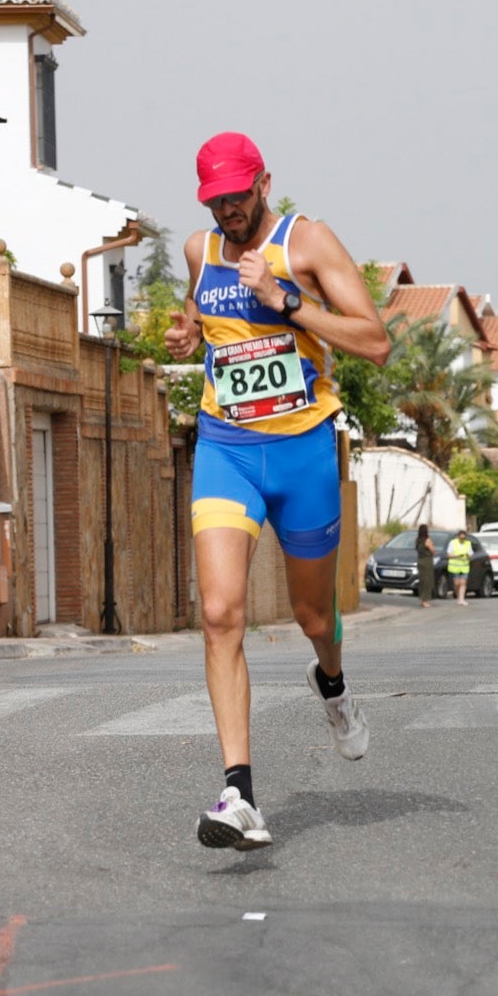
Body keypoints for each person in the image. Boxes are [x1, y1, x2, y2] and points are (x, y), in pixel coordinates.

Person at [163, 131, 390, 852]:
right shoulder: (200, 250)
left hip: (303, 451)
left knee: (312, 615)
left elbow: (374, 341)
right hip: (226, 448)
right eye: (215, 200)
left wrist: (283, 298)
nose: (227, 211)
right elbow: (203, 317)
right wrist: (187, 334)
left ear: (263, 183)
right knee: (219, 613)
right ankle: (240, 794)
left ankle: (334, 684)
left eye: (237, 196)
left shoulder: (307, 242)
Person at [447, 528, 473, 605]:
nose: (462, 539)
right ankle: (459, 597)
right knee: (456, 584)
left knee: (463, 583)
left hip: (464, 567)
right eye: (461, 538)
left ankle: (461, 599)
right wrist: (457, 556)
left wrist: (468, 555)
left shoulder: (468, 543)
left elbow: (471, 554)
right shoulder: (453, 543)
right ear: (458, 536)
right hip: (455, 567)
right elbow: (448, 554)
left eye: (463, 538)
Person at [416, 524, 436, 608]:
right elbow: (433, 550)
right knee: (427, 581)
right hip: (427, 562)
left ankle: (421, 599)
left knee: (422, 580)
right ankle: (425, 600)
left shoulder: (418, 540)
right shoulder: (427, 540)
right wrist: (433, 545)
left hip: (420, 561)